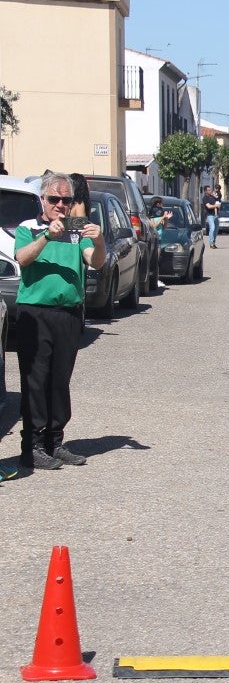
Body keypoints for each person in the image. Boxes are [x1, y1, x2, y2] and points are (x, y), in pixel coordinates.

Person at [12, 171, 106, 469]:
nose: (60, 206)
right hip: (34, 313)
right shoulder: (29, 227)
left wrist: (100, 239)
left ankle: (55, 441)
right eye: (54, 199)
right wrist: (46, 236)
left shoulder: (76, 228)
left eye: (66, 200)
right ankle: (33, 446)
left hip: (67, 313)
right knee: (35, 380)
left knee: (59, 380)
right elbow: (23, 258)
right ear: (43, 199)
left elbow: (96, 261)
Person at [202, 185, 220, 249]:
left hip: (216, 215)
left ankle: (213, 242)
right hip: (210, 215)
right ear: (205, 191)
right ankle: (211, 243)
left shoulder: (212, 197)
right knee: (212, 228)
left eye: (210, 190)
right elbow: (208, 206)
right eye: (209, 190)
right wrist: (216, 205)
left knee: (216, 229)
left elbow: (218, 202)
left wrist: (215, 197)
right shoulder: (205, 198)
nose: (210, 191)